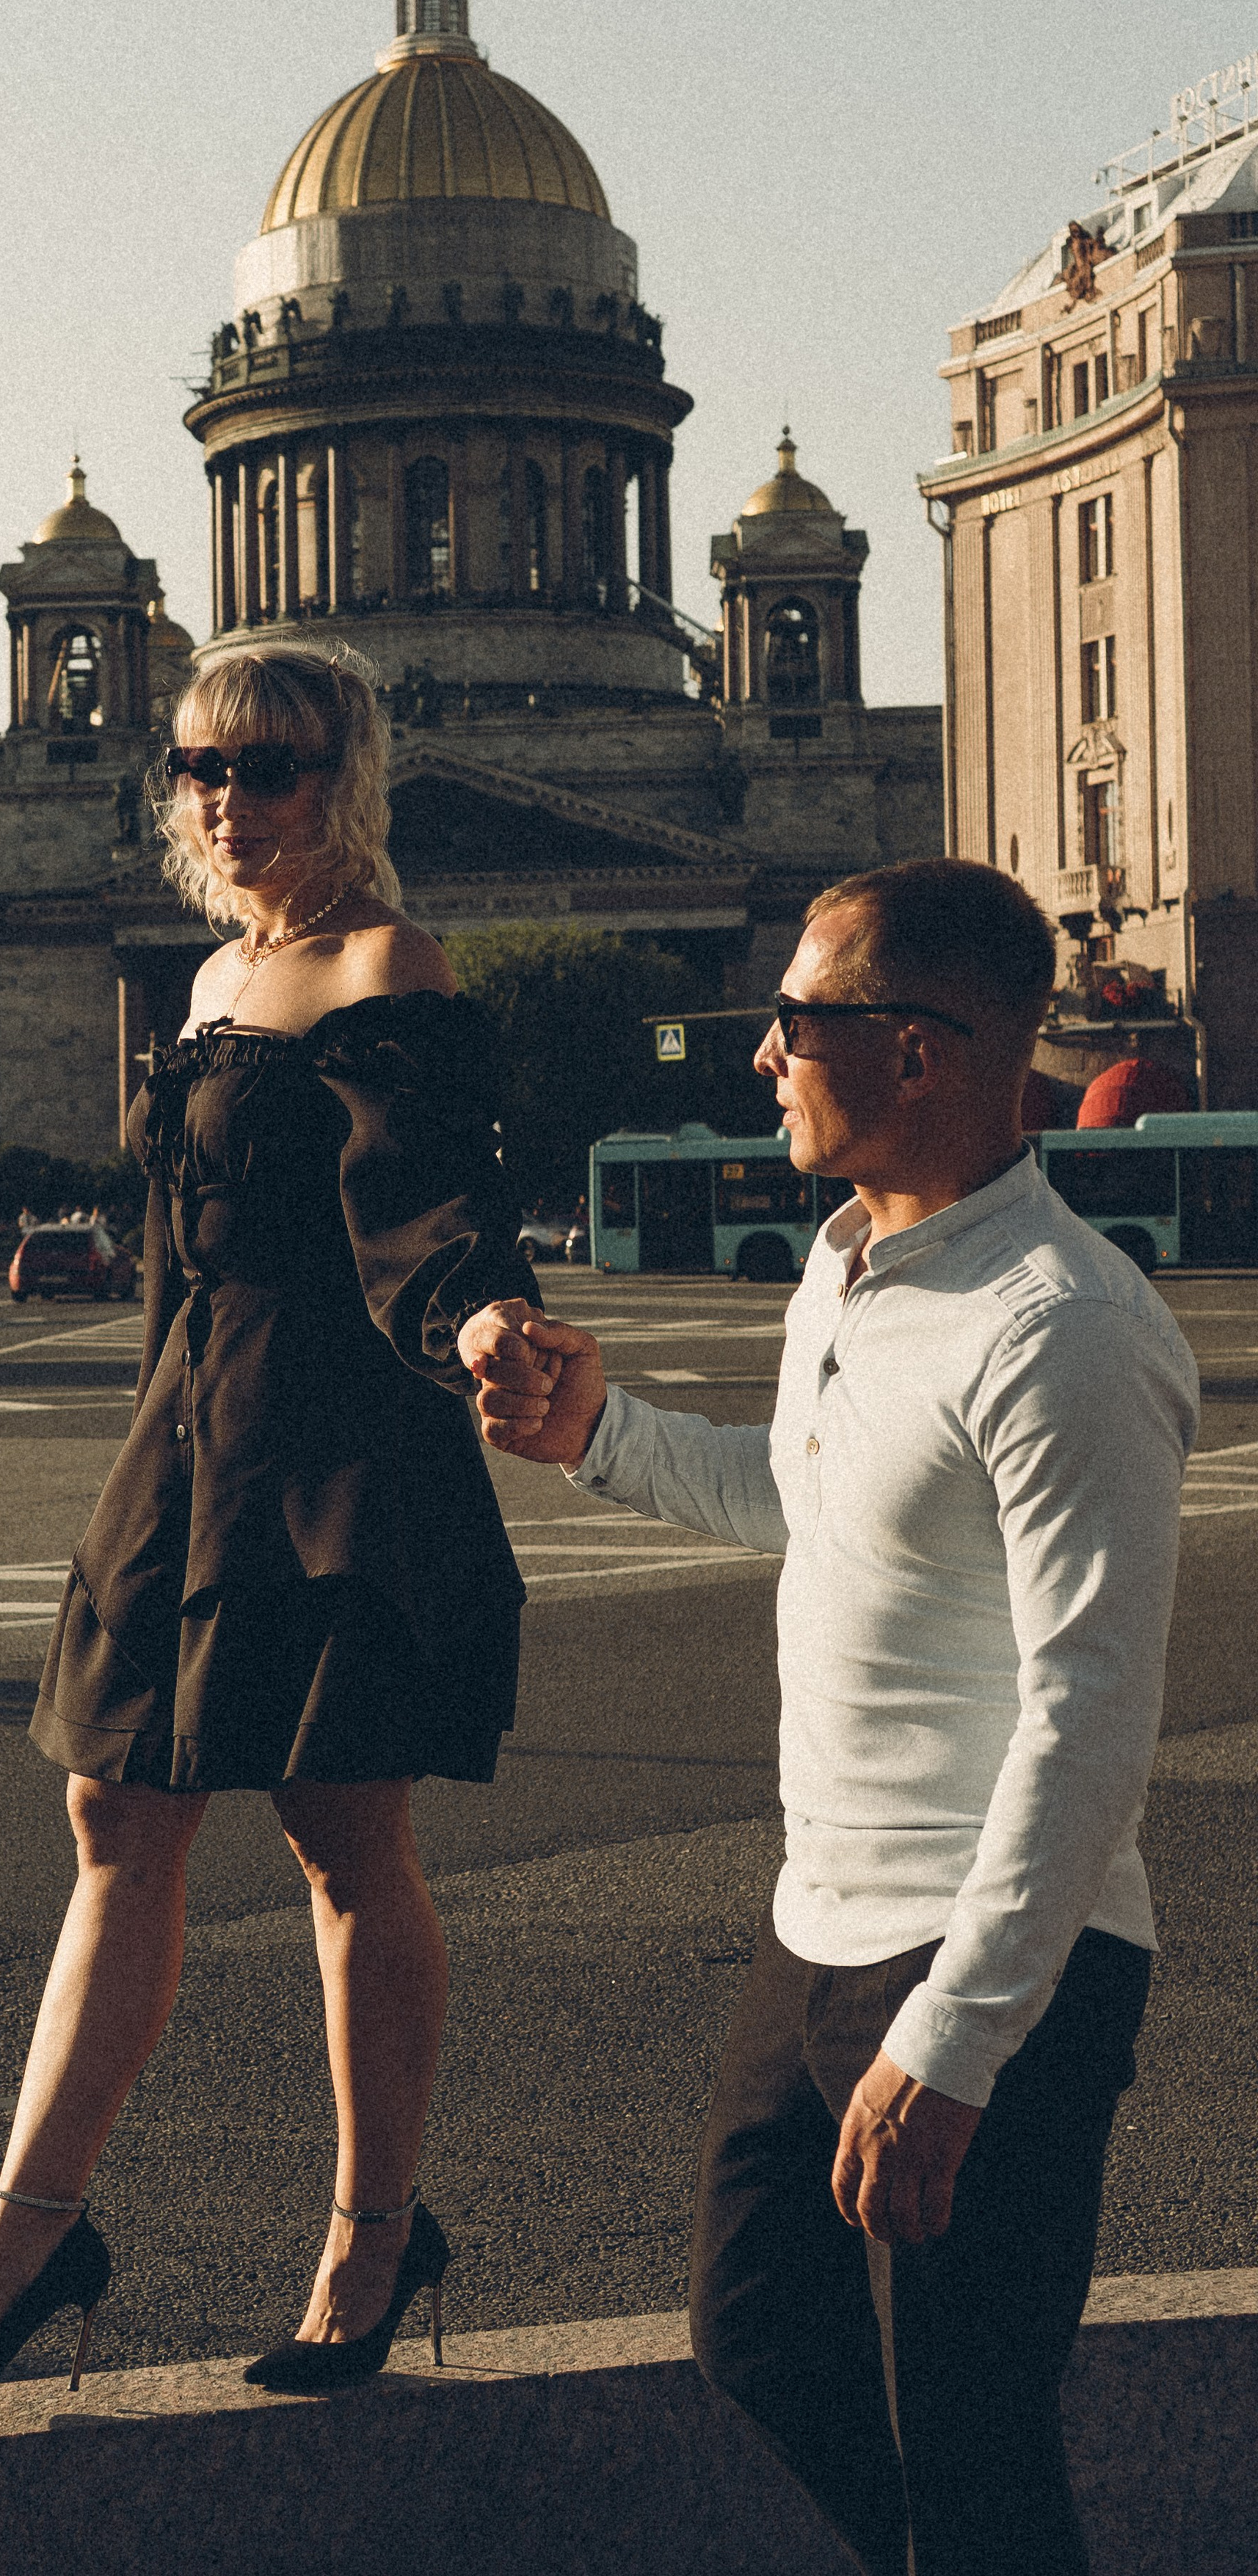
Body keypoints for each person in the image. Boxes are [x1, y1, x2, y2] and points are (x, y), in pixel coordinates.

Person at [458, 858, 1197, 2576]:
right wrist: (599, 1437)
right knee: (762, 2340)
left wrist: (953, 2041)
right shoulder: (854, 1259)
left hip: (991, 1957)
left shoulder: (1064, 1328)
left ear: (921, 1052)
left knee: (964, 2435)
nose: (761, 1055)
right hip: (819, 1924)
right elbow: (819, 1498)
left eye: (796, 1021)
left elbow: (1090, 1713)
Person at [0, 645, 536, 2396]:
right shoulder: (206, 977)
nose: (227, 801)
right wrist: (146, 1448)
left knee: (338, 1837)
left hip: (340, 1433)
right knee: (115, 1811)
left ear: (347, 776)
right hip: (192, 1424)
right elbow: (180, 1249)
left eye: (270, 768)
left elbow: (425, 1196)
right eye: (197, 769)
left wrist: (474, 1311)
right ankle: (26, 2236)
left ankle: (370, 2243)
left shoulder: (384, 963)